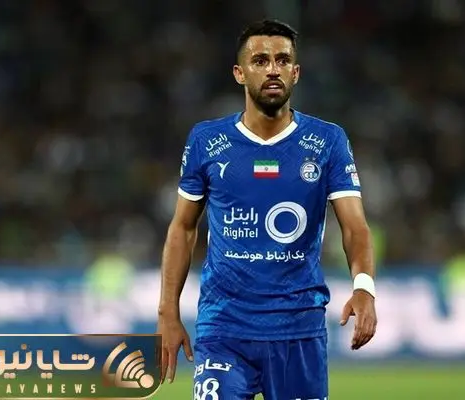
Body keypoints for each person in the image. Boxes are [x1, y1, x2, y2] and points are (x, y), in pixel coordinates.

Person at [157, 19, 377, 400]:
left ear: (296, 72)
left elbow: (355, 226)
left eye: (282, 60)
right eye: (260, 60)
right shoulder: (206, 141)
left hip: (298, 328)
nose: (273, 69)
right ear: (239, 73)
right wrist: (167, 313)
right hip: (224, 328)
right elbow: (183, 228)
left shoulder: (327, 141)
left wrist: (364, 287)